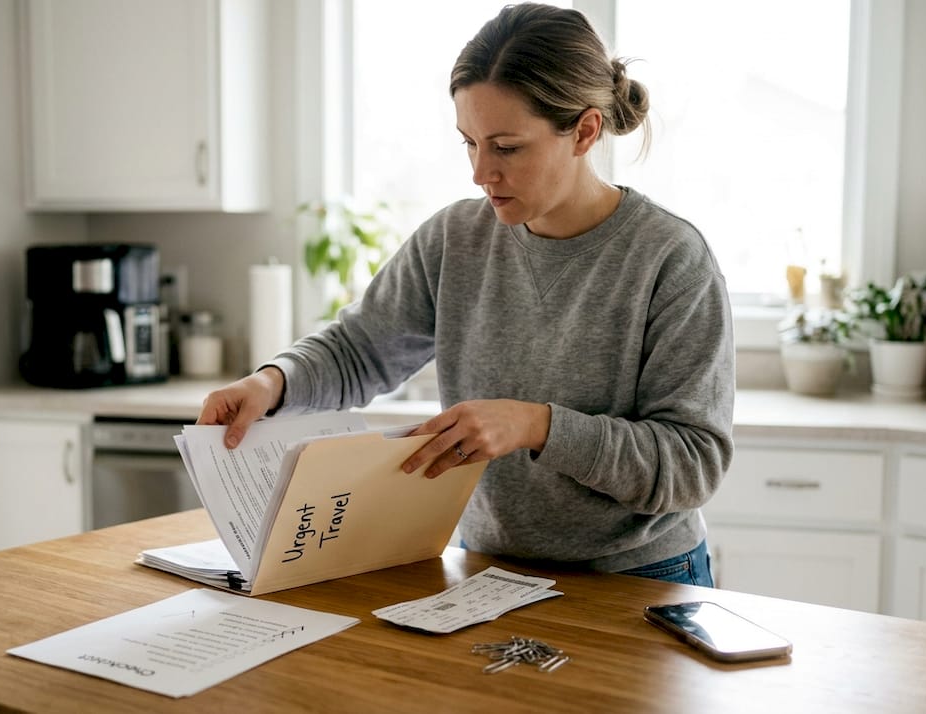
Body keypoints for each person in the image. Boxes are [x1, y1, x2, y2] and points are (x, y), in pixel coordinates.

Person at [199, 3, 734, 587]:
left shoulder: (670, 258)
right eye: (469, 143)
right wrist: (271, 382)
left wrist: (538, 427)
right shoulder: (456, 237)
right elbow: (360, 350)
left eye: (506, 148)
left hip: (641, 577)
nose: (481, 173)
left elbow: (692, 464)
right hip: (489, 572)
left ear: (584, 131)